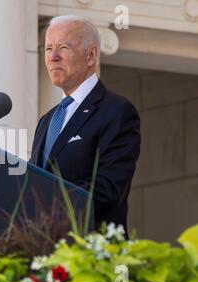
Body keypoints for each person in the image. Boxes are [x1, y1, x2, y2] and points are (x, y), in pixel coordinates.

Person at [29, 15, 141, 231]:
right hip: (44, 253)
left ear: (91, 56)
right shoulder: (47, 121)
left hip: (90, 253)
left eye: (63, 47)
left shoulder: (117, 111)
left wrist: (45, 212)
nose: (53, 57)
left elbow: (107, 190)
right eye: (48, 48)